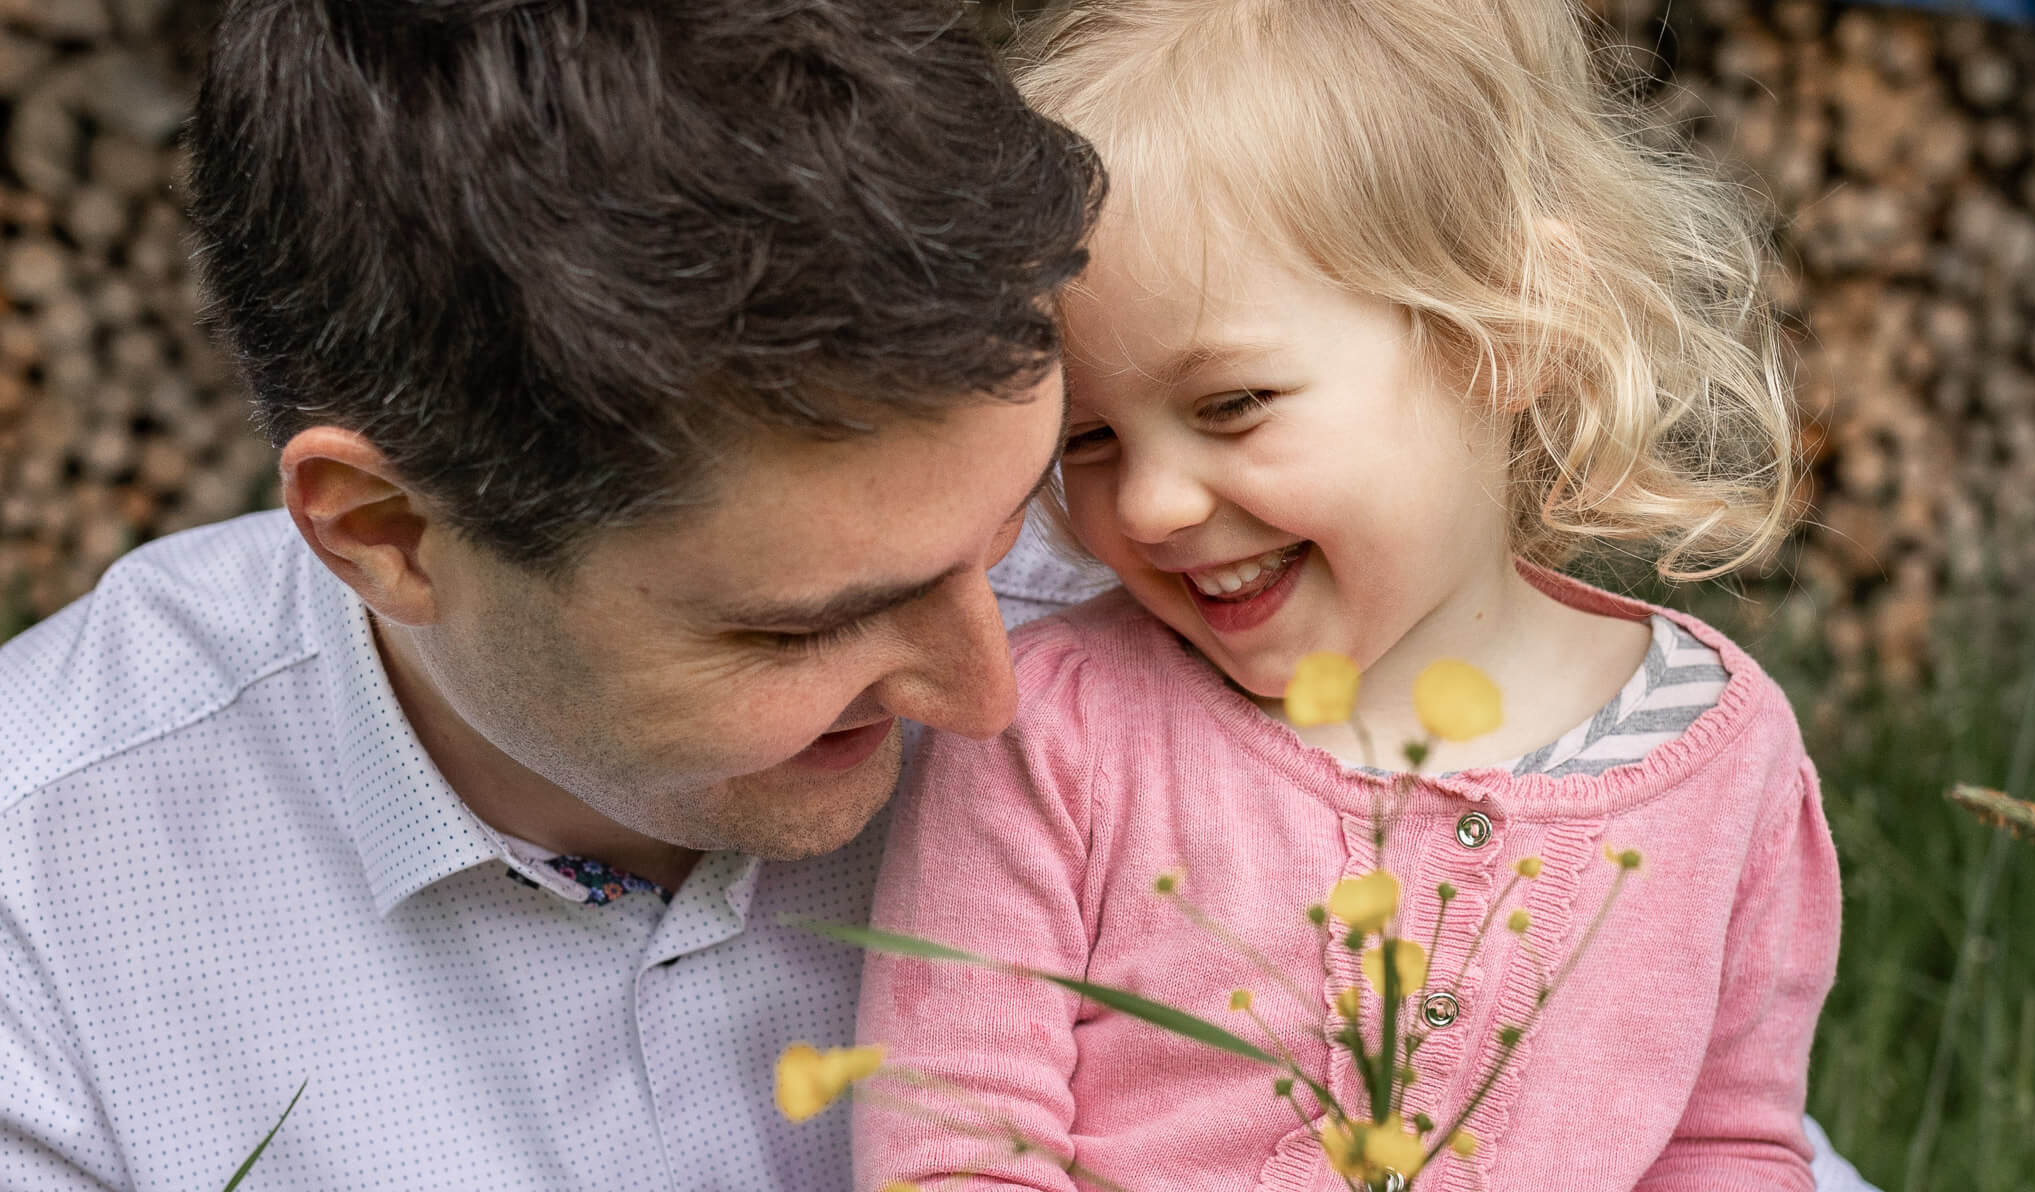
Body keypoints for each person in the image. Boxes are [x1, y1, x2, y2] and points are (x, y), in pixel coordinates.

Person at [0, 1, 1103, 1187]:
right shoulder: (43, 918)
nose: (995, 696)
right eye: (806, 626)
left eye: (1004, 526)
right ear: (387, 534)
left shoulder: (1183, 620)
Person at [855, 1, 1848, 1189]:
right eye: (1090, 438)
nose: (1152, 504)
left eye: (1231, 404)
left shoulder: (1721, 758)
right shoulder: (1055, 730)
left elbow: (1724, 1142)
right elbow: (954, 1137)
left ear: (1509, 325)